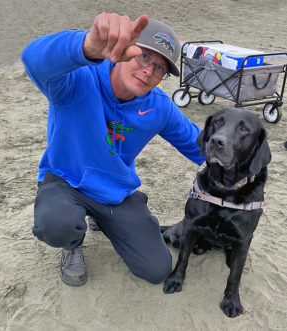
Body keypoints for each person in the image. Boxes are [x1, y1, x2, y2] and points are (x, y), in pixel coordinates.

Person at [22, 12, 205, 287]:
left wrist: (244, 153)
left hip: (114, 191)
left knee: (157, 269)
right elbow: (33, 59)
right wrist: (85, 47)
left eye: (160, 69)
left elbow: (200, 146)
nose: (149, 71)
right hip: (66, 179)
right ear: (123, 49)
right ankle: (74, 243)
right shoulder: (77, 80)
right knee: (56, 225)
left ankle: (108, 222)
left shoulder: (159, 106)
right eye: (144, 57)